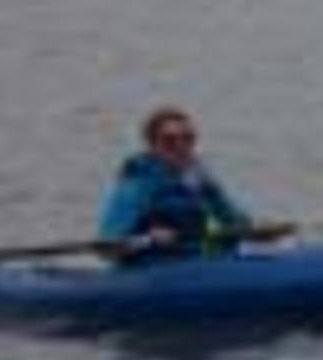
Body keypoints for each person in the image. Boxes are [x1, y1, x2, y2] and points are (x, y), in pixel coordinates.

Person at [97, 106, 263, 262]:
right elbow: (108, 249)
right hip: (153, 269)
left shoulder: (201, 181)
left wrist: (254, 231)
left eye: (188, 138)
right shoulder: (137, 184)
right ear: (153, 147)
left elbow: (233, 220)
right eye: (170, 141)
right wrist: (147, 239)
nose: (181, 146)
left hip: (199, 261)